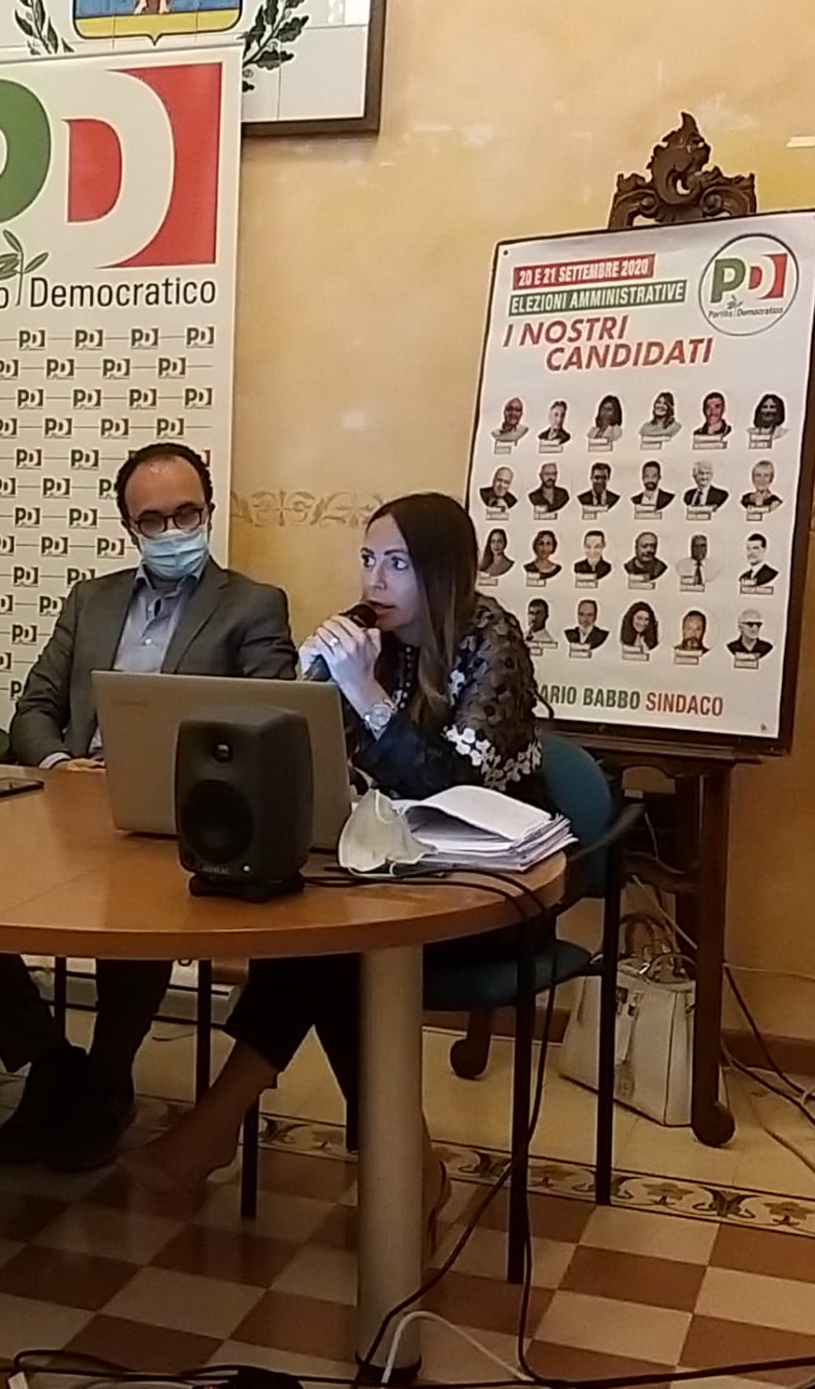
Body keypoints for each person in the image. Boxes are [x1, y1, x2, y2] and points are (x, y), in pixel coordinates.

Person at [130, 493, 545, 1203]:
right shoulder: (365, 633)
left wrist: (365, 692)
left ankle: (223, 1126)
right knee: (323, 939)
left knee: (333, 952)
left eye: (398, 564)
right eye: (368, 559)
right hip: (386, 869)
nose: (374, 581)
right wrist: (315, 685)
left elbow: (454, 786)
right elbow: (315, 759)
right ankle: (407, 1168)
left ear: (443, 572)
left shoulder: (492, 640)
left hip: (489, 883)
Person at [0, 442, 294, 1173]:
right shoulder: (91, 601)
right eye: (152, 520)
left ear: (210, 511)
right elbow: (34, 708)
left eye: (186, 514)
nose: (171, 532)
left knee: (137, 911)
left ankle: (105, 1078)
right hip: (73, 805)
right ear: (129, 527)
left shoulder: (253, 605)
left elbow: (274, 723)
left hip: (178, 818)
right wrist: (61, 764)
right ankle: (47, 1058)